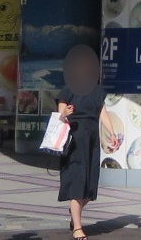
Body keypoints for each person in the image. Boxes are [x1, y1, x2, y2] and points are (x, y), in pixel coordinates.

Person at [57, 45, 104, 240]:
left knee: (89, 188)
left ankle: (74, 213)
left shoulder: (98, 90)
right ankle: (77, 226)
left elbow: (102, 112)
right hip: (74, 139)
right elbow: (59, 116)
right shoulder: (68, 89)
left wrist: (112, 134)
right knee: (77, 184)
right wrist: (64, 114)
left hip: (92, 139)